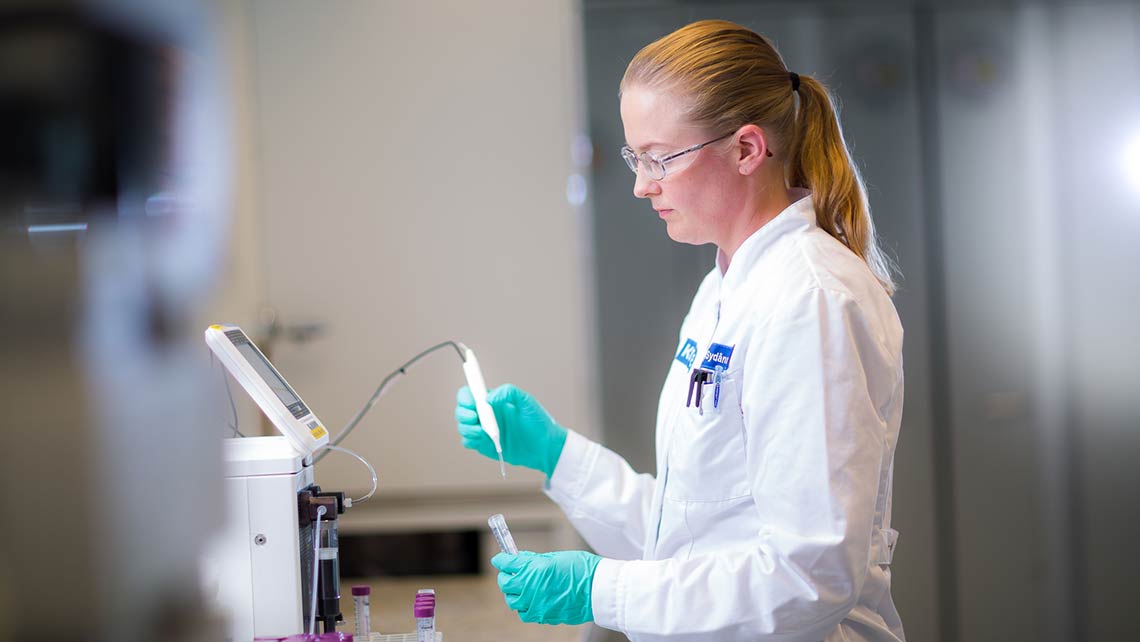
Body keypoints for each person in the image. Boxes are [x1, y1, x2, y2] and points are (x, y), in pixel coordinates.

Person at [455, 19, 905, 642]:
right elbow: (694, 534)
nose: (642, 185)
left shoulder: (810, 299)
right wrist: (559, 458)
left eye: (659, 158)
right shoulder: (725, 285)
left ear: (747, 149)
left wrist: (600, 589)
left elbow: (811, 576)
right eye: (634, 158)